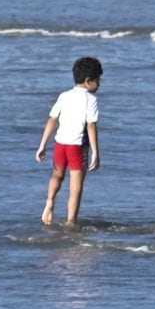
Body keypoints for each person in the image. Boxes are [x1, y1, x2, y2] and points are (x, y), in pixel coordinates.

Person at [36, 56, 103, 226]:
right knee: (76, 188)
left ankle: (50, 200)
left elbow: (52, 120)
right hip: (77, 146)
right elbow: (91, 126)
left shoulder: (64, 96)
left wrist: (42, 145)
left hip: (60, 144)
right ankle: (71, 221)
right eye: (97, 80)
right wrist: (95, 152)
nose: (99, 84)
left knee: (57, 175)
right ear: (88, 81)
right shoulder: (90, 99)